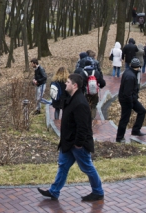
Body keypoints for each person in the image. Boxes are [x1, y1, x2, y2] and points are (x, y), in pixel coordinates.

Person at [38, 73, 104, 202]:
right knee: (63, 166)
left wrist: (79, 144)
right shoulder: (71, 98)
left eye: (67, 82)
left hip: (77, 144)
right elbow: (61, 102)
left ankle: (98, 191)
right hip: (68, 142)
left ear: (75, 85)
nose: (65, 84)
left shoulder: (80, 103)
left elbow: (83, 127)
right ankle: (54, 191)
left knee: (87, 168)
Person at [116, 58, 146, 142]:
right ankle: (119, 138)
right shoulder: (130, 76)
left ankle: (136, 130)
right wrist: (130, 104)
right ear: (138, 67)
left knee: (142, 111)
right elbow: (127, 93)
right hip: (127, 100)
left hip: (131, 98)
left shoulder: (129, 72)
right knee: (125, 119)